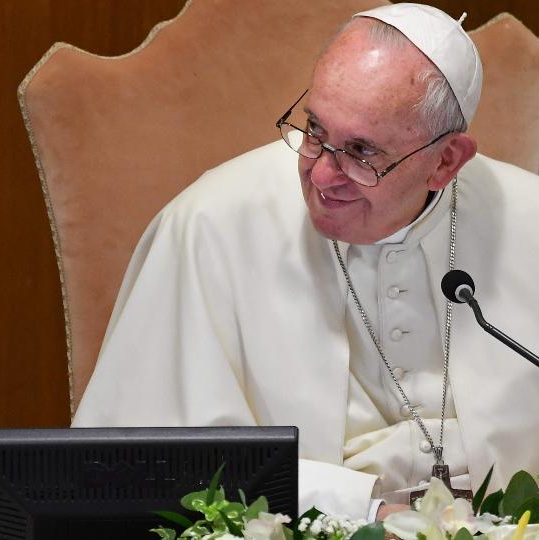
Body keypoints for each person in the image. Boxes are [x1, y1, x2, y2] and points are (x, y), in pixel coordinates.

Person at [71, 3, 539, 521]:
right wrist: (356, 508)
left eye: (362, 153)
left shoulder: (529, 221)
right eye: (315, 131)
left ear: (445, 162)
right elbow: (146, 463)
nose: (319, 177)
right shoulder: (209, 226)